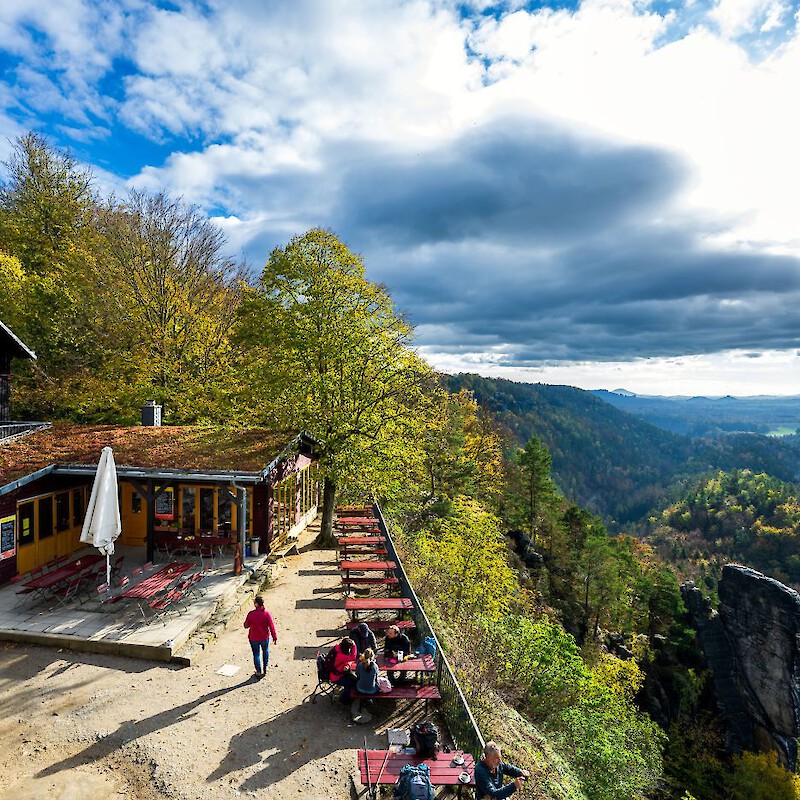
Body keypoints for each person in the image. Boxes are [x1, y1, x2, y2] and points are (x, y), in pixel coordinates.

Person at [243, 595, 277, 678]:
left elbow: (246, 625)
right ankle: (265, 668)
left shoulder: (251, 614)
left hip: (253, 638)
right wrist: (274, 637)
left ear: (256, 604)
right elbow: (271, 626)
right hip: (264, 637)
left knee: (256, 654)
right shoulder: (266, 614)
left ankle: (258, 671)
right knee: (265, 651)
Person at [329, 637, 358, 703]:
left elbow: (347, 661)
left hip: (336, 673)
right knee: (350, 683)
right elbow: (353, 657)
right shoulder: (340, 655)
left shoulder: (337, 649)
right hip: (336, 677)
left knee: (352, 679)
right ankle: (343, 699)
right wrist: (354, 645)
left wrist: (347, 665)